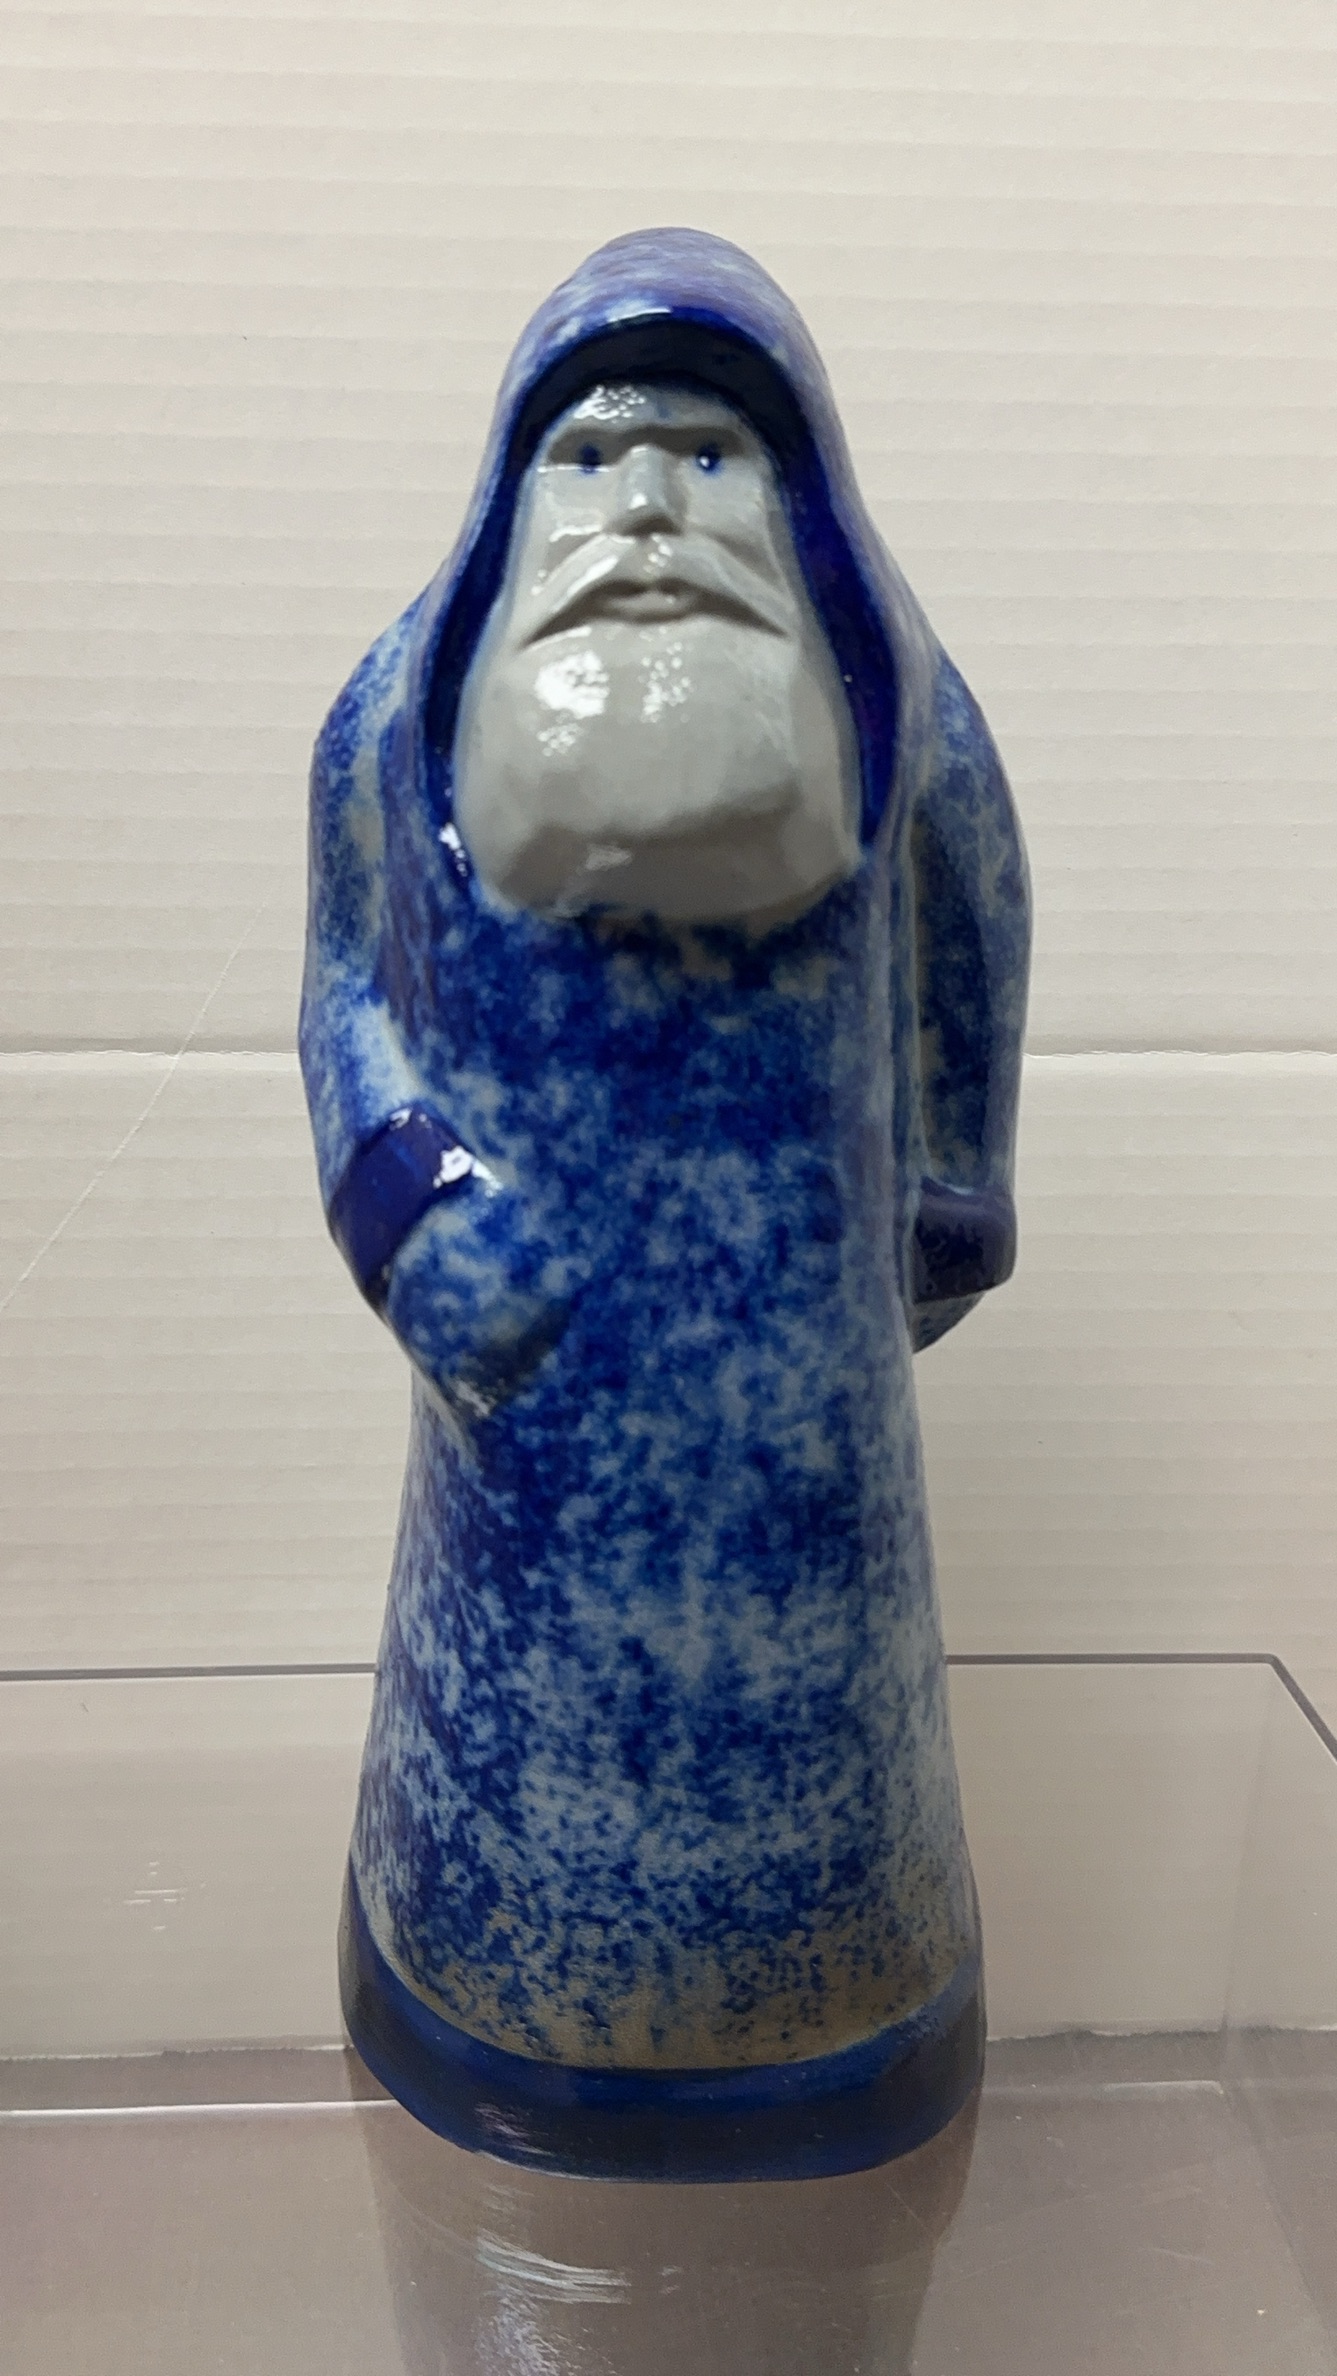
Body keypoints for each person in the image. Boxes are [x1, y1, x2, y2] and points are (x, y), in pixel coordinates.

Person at [301, 227, 1029, 2180]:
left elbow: (974, 922)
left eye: (705, 458)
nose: (644, 507)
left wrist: (953, 1188)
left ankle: (830, 2023)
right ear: (511, 489)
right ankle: (489, 1997)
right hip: (526, 1402)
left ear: (797, 500)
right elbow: (349, 992)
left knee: (830, 1723)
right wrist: (411, 1215)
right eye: (590, 456)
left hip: (808, 1401)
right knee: (504, 1719)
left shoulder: (895, 717)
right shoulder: (396, 720)